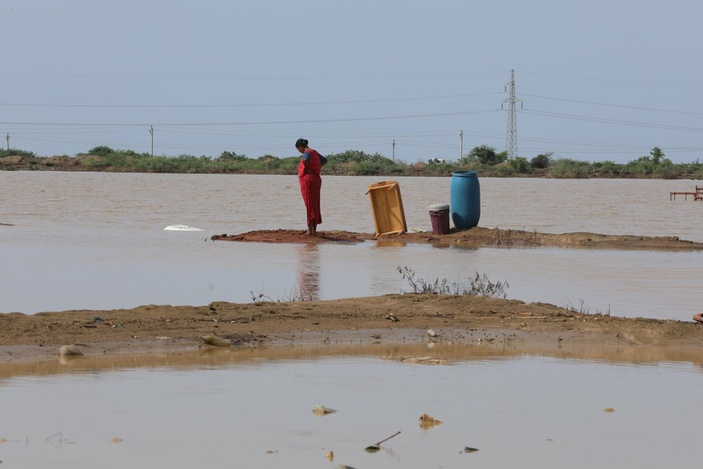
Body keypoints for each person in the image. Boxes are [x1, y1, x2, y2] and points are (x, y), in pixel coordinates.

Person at [295, 138, 327, 236]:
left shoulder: (307, 152)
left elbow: (305, 159)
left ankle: (310, 230)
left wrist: (308, 168)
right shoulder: (315, 152)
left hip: (308, 180)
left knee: (309, 204)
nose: (299, 151)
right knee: (315, 204)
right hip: (316, 179)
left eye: (298, 149)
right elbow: (324, 160)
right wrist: (317, 168)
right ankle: (314, 230)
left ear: (300, 146)